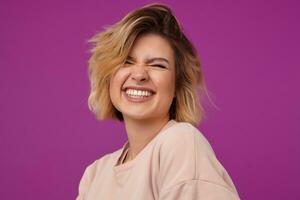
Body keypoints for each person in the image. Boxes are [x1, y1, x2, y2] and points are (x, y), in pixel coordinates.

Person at [76, 3, 240, 200]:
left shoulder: (180, 142)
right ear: (109, 76)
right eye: (126, 62)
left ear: (177, 87)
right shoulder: (94, 174)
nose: (139, 74)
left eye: (158, 65)